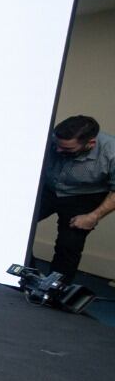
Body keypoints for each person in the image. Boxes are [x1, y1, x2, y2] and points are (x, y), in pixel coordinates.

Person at [36, 115, 115, 282]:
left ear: (90, 144)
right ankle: (28, 275)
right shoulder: (48, 137)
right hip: (47, 188)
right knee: (14, 226)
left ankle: (55, 288)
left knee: (68, 244)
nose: (58, 151)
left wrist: (93, 216)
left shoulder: (111, 151)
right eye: (56, 145)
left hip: (84, 196)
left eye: (67, 149)